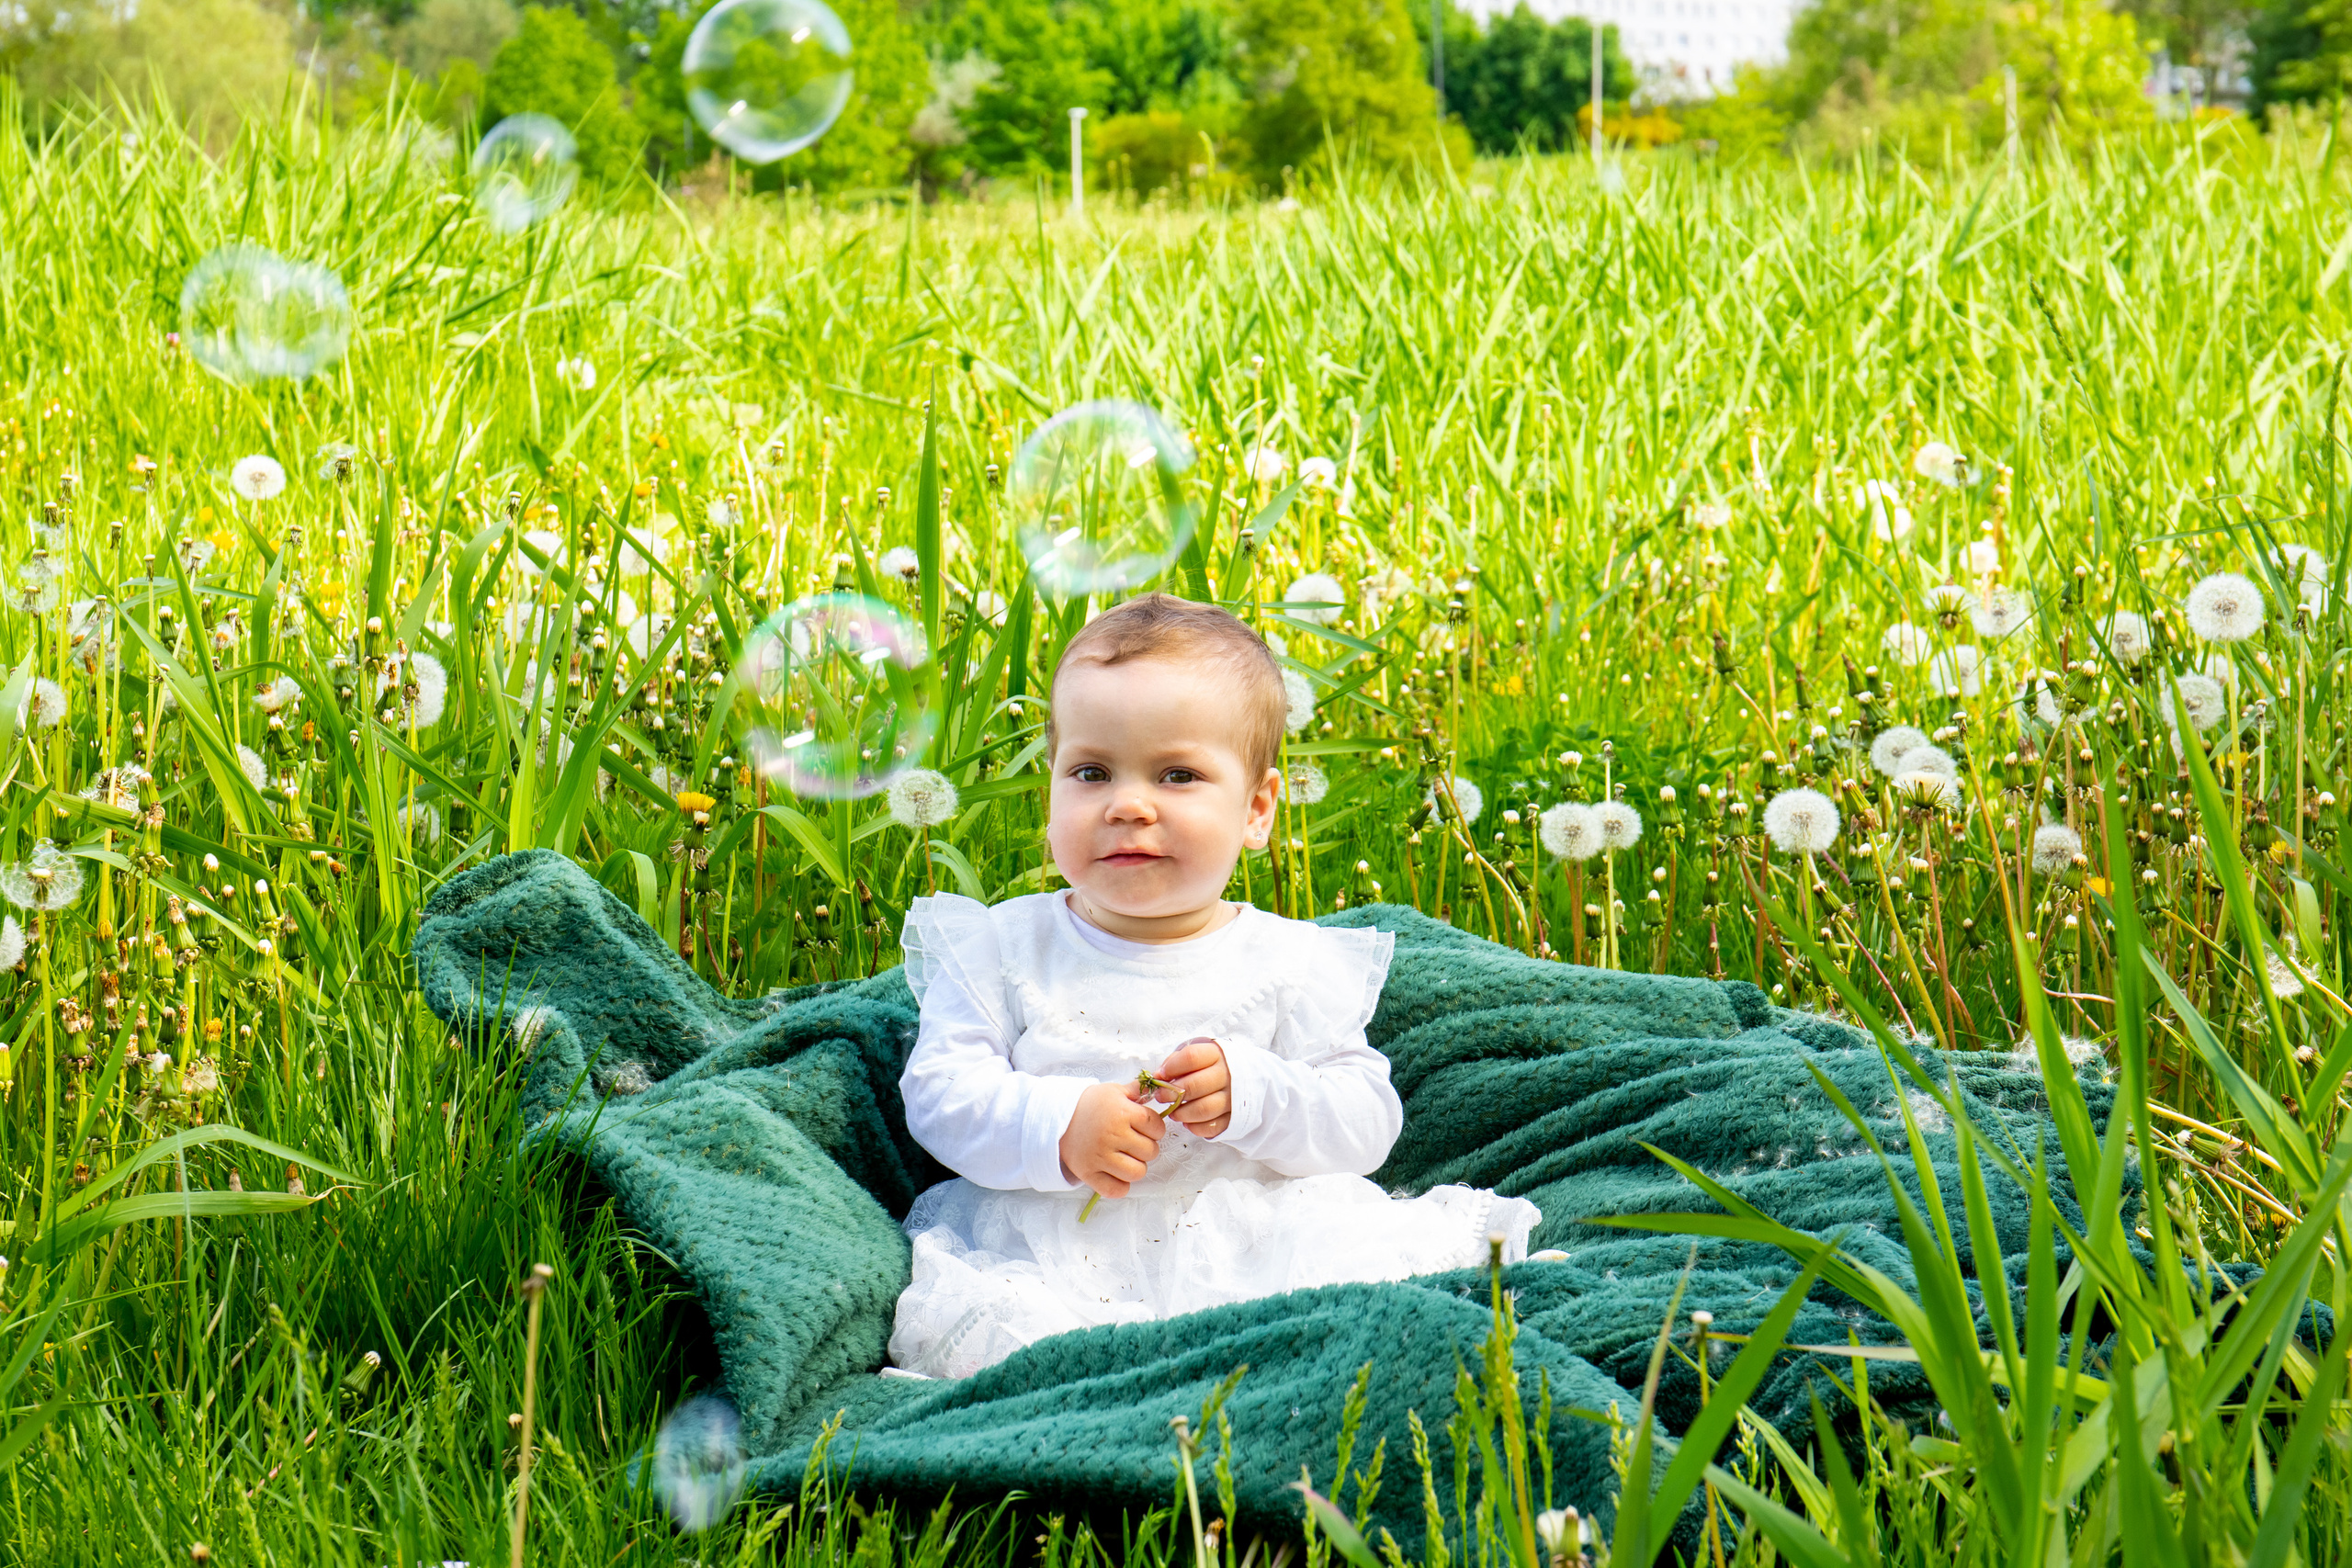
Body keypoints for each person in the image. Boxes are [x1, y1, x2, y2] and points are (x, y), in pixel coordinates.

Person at [888, 592, 1540, 1380]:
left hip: (1254, 1238)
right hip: (1056, 1245)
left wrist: (1258, 1094)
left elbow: (1366, 1121)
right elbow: (940, 1092)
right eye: (1091, 771)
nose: (1128, 804)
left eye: (1178, 774)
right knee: (1023, 1347)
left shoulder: (1287, 961)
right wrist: (1058, 1125)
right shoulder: (1001, 946)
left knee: (1350, 1310)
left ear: (1258, 808)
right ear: (1050, 788)